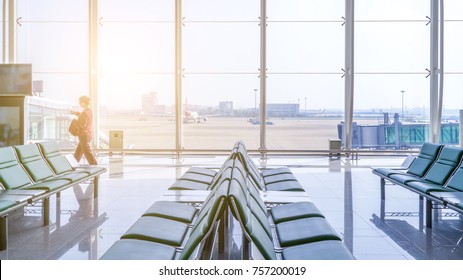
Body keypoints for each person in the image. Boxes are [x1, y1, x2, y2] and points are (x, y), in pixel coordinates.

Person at [71, 96, 98, 165]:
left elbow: (82, 124)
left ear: (83, 103)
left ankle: (95, 165)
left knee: (87, 153)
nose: (79, 104)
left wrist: (74, 122)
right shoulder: (89, 111)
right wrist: (75, 113)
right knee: (78, 152)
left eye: (80, 102)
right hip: (88, 134)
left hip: (83, 135)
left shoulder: (84, 112)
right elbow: (83, 117)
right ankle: (73, 165)